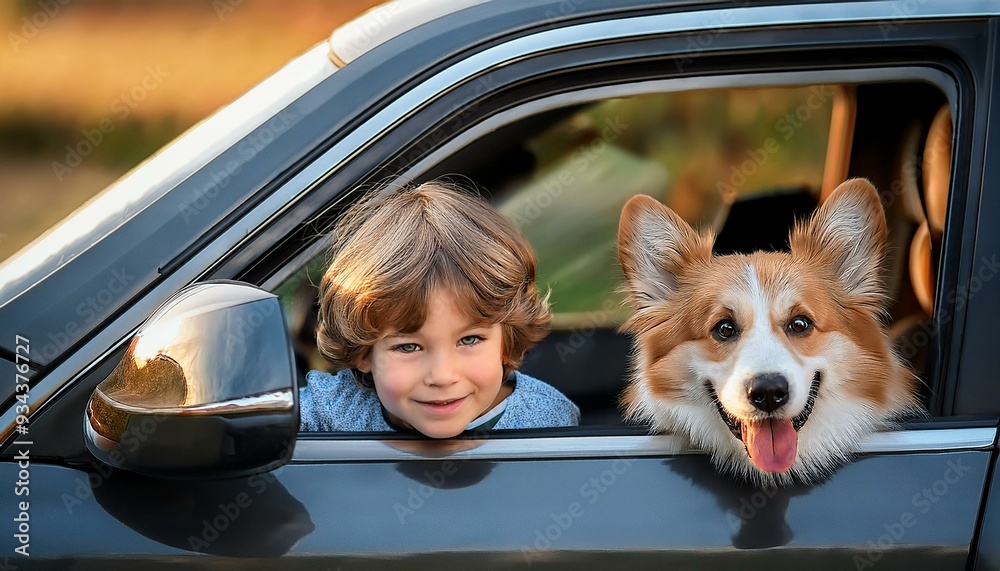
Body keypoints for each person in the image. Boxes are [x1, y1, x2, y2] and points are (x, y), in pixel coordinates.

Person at [299, 181, 580, 436]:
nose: (443, 376)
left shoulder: (545, 420)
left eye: (469, 340)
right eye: (408, 347)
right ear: (362, 353)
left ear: (507, 342)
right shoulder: (335, 410)